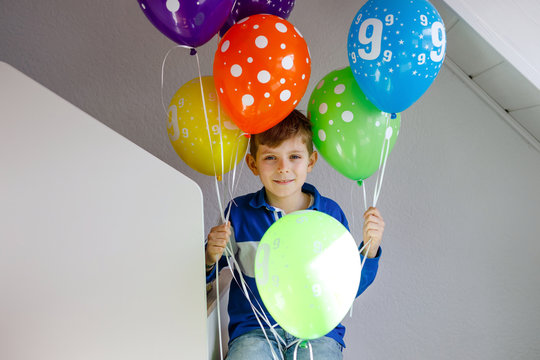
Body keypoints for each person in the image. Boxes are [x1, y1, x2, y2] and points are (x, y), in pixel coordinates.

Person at [205, 109, 385, 360]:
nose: (283, 168)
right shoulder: (239, 213)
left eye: (294, 156)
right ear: (253, 164)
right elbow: (206, 277)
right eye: (270, 157)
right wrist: (209, 256)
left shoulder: (329, 215)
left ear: (310, 161)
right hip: (255, 331)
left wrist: (371, 247)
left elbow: (348, 287)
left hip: (317, 333)